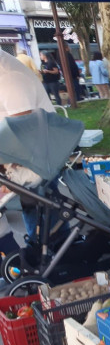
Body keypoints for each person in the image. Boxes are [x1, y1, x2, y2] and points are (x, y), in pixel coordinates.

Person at [0, 50, 56, 257]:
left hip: (34, 160)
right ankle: (38, 255)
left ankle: (45, 259)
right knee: (37, 214)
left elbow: (25, 129)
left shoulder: (9, 78)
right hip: (18, 160)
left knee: (45, 219)